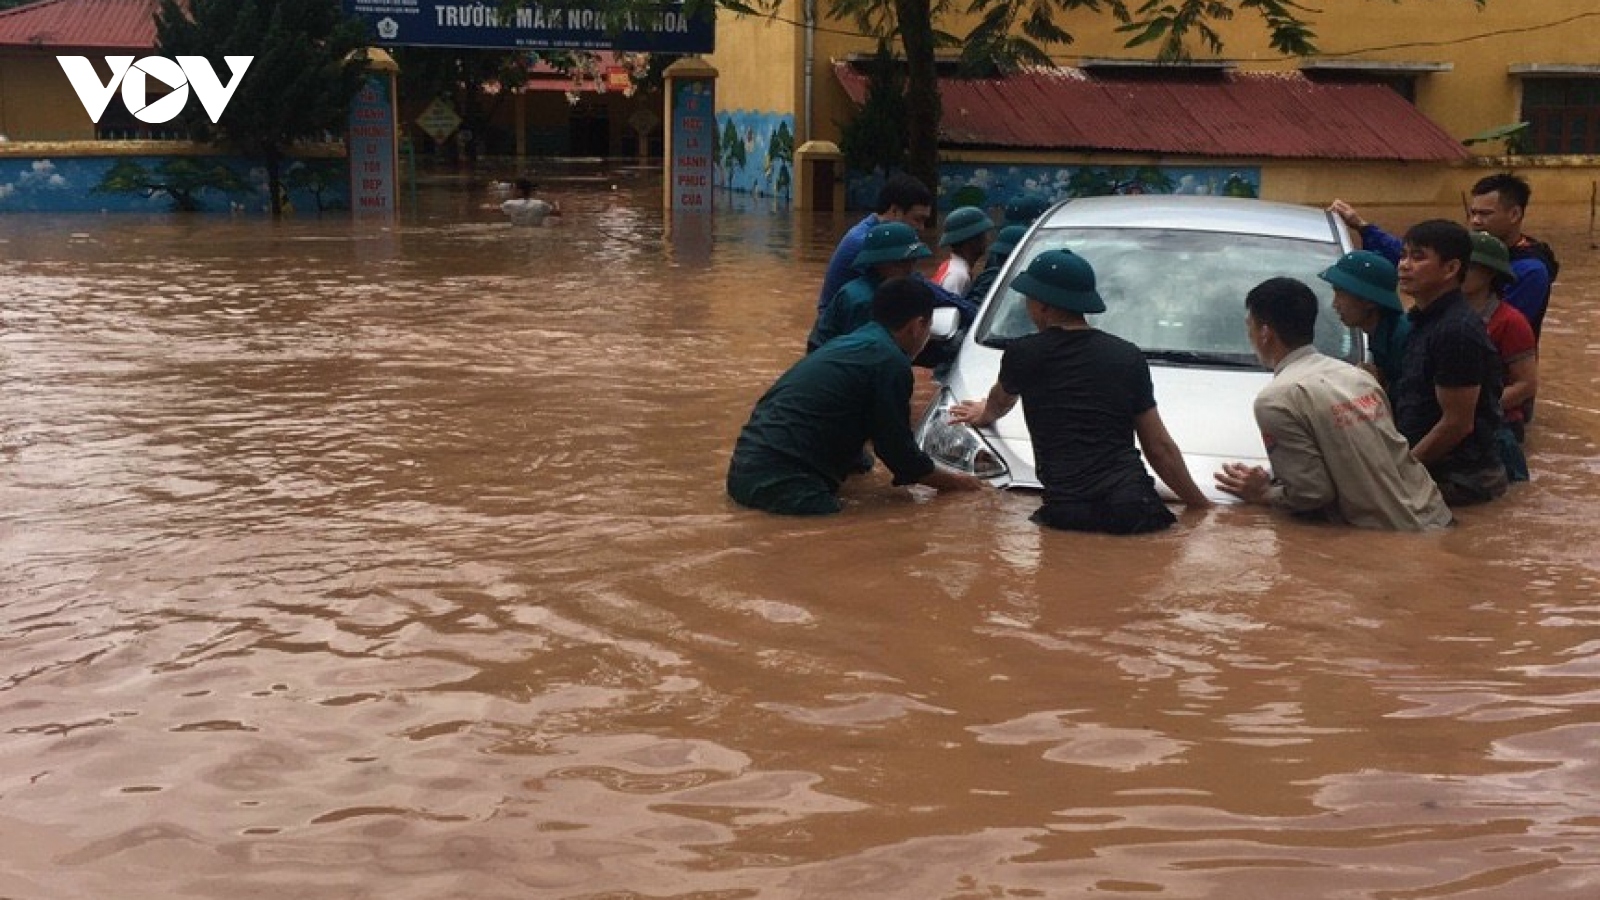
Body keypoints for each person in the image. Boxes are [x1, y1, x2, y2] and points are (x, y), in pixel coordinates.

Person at [949, 249, 1211, 534]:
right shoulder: (1126, 356)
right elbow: (1159, 448)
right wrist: (1201, 506)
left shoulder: (1024, 354)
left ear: (1042, 306)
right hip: (1134, 506)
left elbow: (1000, 402)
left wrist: (982, 414)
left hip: (1067, 512)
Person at [728, 277, 989, 516]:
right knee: (844, 534)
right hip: (785, 485)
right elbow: (899, 453)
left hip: (744, 469)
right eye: (929, 326)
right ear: (917, 326)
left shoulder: (857, 342)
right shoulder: (890, 362)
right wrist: (960, 484)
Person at [1213, 277, 1453, 530]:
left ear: (1265, 334)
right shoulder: (1358, 376)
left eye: (1249, 326)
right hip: (1436, 515)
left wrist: (1263, 493)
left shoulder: (1275, 400)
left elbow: (1311, 493)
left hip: (1387, 535)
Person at [1329, 172, 1557, 340]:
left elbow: (1503, 329)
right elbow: (1420, 259)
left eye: (1485, 214)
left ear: (1515, 214)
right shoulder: (1465, 249)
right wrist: (1363, 227)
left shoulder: (1530, 271)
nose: (1475, 221)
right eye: (1472, 213)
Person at [1390, 220, 1508, 507]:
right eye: (1403, 255)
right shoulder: (1423, 320)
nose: (1404, 265)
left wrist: (1399, 474)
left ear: (1451, 268)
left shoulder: (1456, 331)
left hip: (1460, 479)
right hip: (1431, 470)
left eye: (1418, 257)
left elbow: (1457, 423)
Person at [1462, 231, 1536, 480]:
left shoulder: (1511, 322)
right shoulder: (1441, 316)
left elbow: (1525, 385)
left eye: (1470, 266)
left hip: (1498, 424)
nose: (1460, 272)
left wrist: (1474, 408)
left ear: (1490, 273)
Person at [815, 173, 934, 313]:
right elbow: (908, 286)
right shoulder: (866, 243)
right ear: (895, 211)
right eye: (917, 219)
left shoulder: (877, 233)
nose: (921, 228)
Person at [807, 222, 932, 353]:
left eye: (913, 261)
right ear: (879, 263)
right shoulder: (864, 300)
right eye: (901, 263)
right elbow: (865, 352)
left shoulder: (895, 287)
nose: (909, 269)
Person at [1318, 250, 1410, 390]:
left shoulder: (1404, 340)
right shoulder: (1380, 336)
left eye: (1340, 294)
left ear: (1369, 301)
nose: (1335, 304)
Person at [931, 206, 994, 296]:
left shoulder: (952, 266)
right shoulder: (957, 276)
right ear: (971, 242)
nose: (988, 239)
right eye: (983, 236)